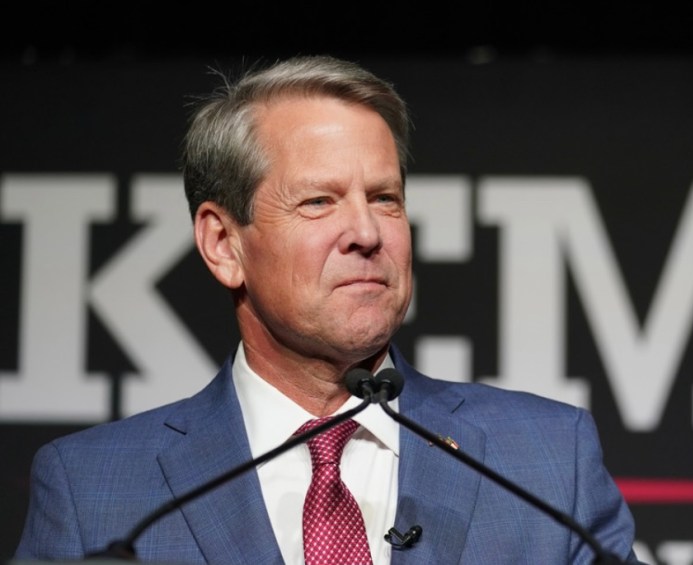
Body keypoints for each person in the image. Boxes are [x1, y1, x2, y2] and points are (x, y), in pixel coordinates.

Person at [15, 54, 643, 564]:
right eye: (318, 202)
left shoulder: (546, 462)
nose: (367, 233)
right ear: (223, 244)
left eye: (385, 198)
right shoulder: (95, 492)